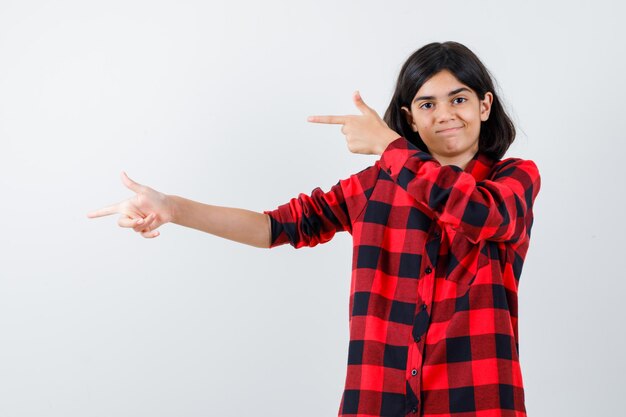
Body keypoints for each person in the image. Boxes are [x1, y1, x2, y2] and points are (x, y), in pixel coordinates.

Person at [87, 41, 541, 417]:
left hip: (480, 400)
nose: (445, 114)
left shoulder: (514, 179)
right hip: (375, 401)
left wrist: (389, 147)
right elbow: (273, 227)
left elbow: (481, 216)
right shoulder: (373, 188)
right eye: (428, 103)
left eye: (459, 99)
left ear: (484, 106)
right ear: (411, 116)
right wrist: (173, 208)